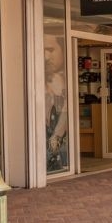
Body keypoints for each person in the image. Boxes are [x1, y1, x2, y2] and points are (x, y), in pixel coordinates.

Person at [45, 34, 68, 172]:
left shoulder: (64, 79)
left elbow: (65, 112)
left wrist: (56, 137)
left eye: (50, 50)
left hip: (56, 141)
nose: (46, 57)